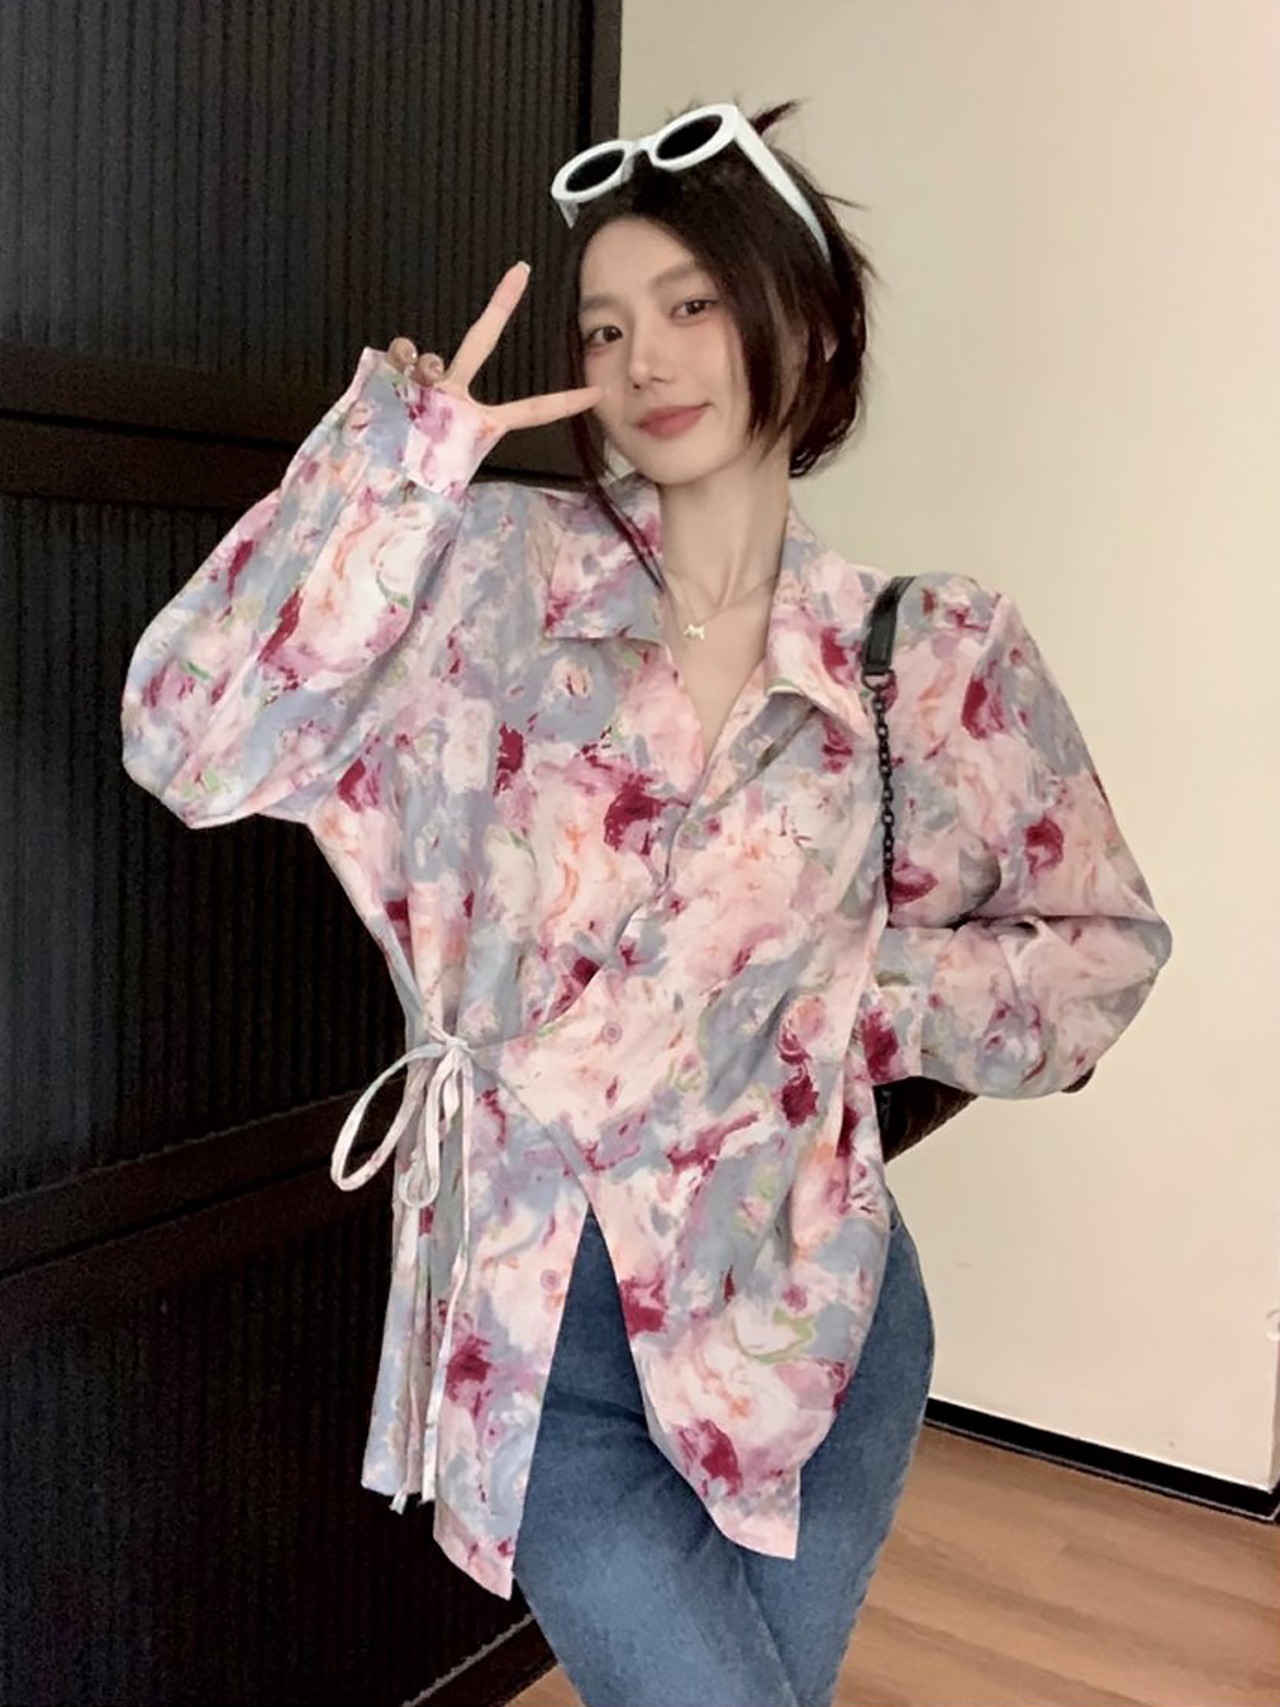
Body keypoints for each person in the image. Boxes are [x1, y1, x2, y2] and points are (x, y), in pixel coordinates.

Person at [121, 100, 1171, 1707]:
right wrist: (385, 477)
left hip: (814, 1323)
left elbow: (1100, 953)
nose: (644, 358)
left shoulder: (926, 652)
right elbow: (190, 740)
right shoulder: (484, 584)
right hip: (537, 1338)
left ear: (810, 332)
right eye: (607, 325)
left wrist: (841, 994)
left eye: (692, 304)